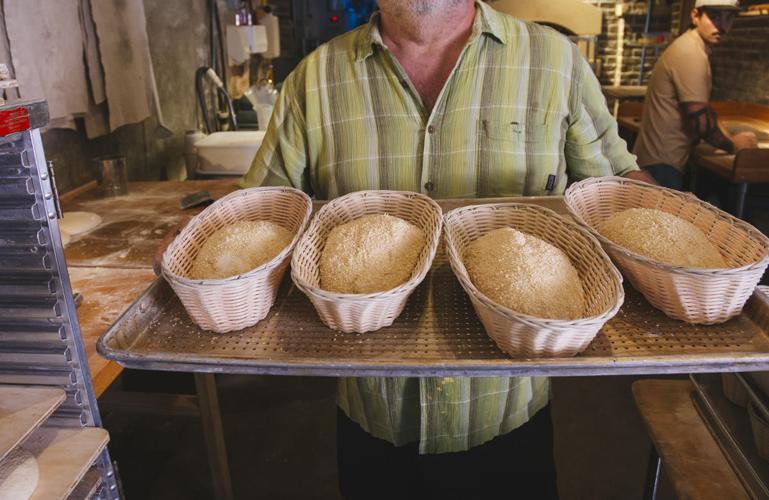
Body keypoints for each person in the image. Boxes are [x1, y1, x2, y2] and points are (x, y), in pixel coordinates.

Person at [241, 1, 653, 498]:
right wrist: (199, 237)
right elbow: (261, 217)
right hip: (376, 414)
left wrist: (666, 213)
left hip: (505, 411)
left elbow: (619, 196)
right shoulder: (313, 81)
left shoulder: (554, 63)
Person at [633, 0, 758, 190]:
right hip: (661, 165)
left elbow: (703, 108)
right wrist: (735, 145)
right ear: (695, 16)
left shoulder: (693, 46)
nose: (722, 25)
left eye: (729, 17)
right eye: (714, 16)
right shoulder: (690, 53)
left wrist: (726, 132)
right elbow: (699, 120)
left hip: (661, 160)